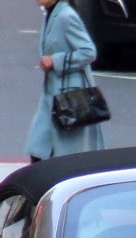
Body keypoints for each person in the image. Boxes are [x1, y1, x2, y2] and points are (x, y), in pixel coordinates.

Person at [25, 0, 106, 163]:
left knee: (61, 151)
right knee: (39, 147)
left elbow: (88, 52)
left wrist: (55, 60)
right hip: (53, 92)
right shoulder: (52, 14)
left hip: (69, 95)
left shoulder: (66, 16)